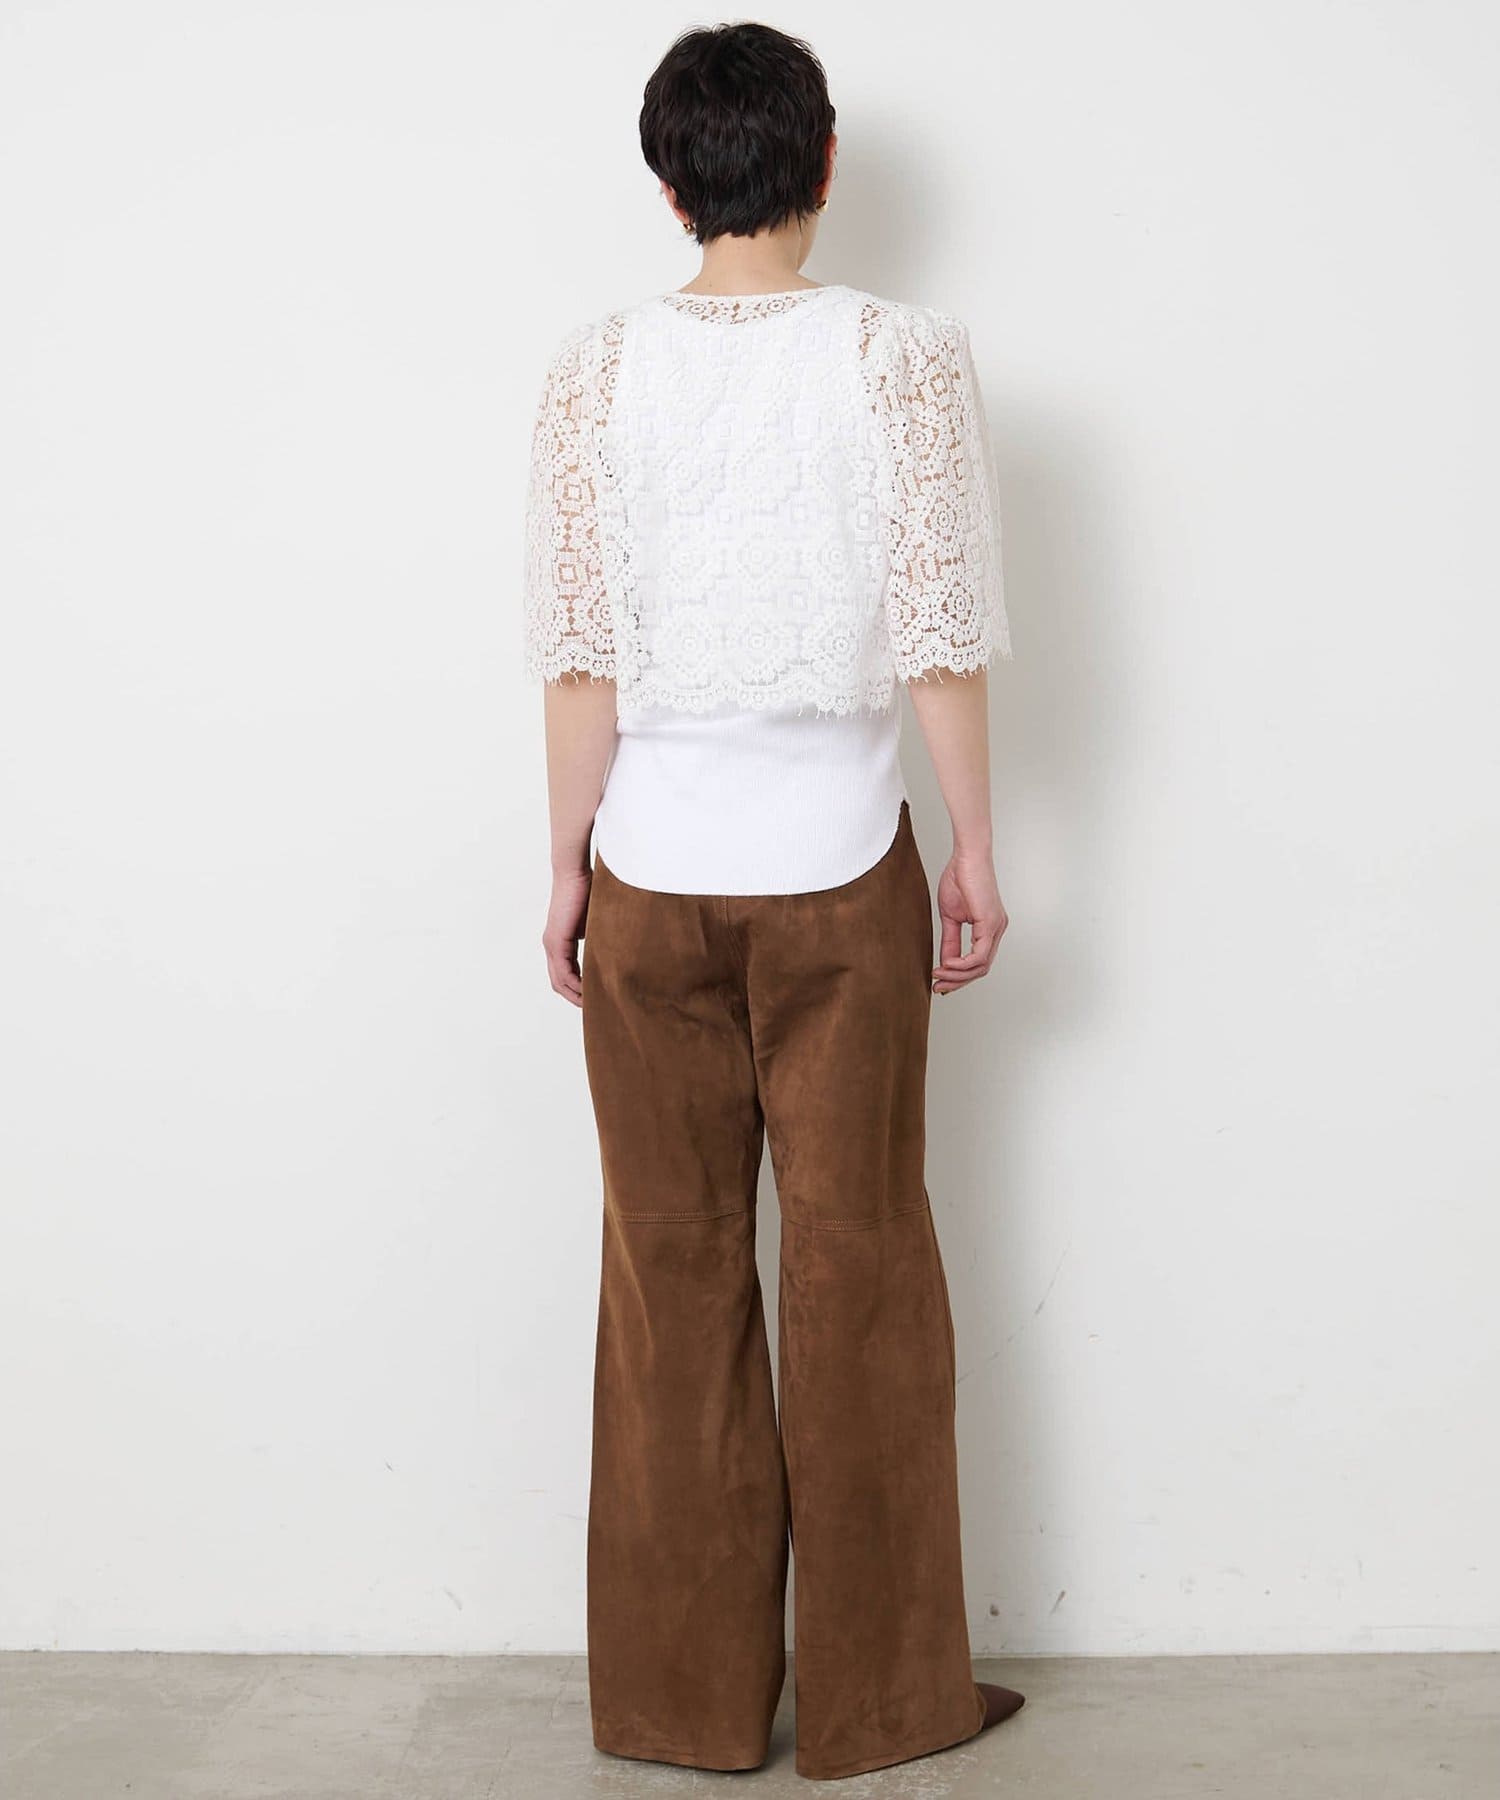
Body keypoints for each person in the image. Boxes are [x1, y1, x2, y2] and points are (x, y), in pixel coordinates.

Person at [521, 20, 1024, 1782]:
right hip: (835, 881)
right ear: (819, 168)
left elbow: (579, 655)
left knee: (668, 1282)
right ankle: (887, 1707)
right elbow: (939, 633)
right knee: (861, 1267)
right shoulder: (902, 359)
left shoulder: (594, 373)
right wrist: (973, 843)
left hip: (652, 882)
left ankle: (683, 1708)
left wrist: (568, 862)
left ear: (671, 187)